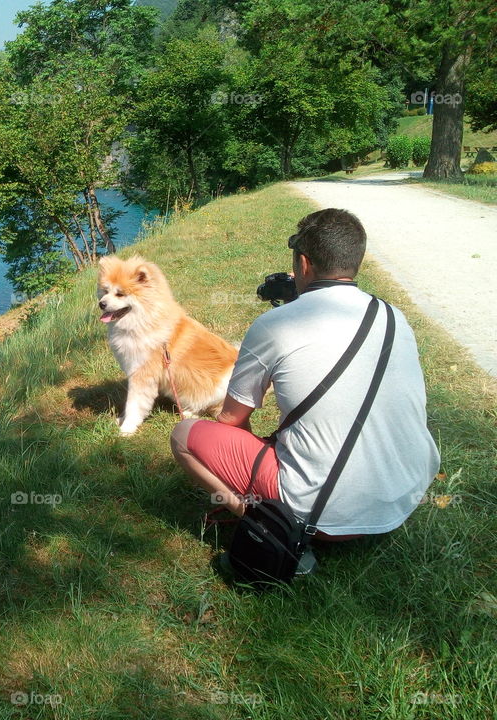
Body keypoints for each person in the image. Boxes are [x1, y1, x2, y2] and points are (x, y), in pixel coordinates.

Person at [170, 208, 440, 541]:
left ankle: (270, 527)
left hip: (322, 515)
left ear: (304, 263)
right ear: (355, 260)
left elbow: (231, 419)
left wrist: (252, 454)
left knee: (183, 435)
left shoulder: (275, 325)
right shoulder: (394, 316)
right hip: (402, 499)